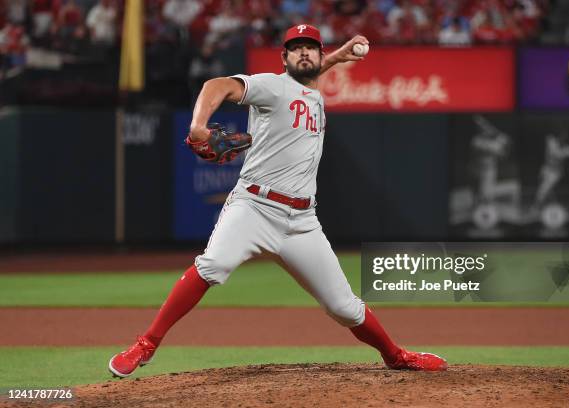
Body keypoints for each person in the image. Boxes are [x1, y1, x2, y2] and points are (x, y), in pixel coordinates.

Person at [108, 24, 448, 378]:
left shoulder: (313, 92)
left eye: (310, 48)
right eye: (295, 48)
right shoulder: (270, 86)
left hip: (302, 222)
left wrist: (337, 57)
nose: (304, 53)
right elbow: (217, 85)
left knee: (345, 307)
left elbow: (308, 80)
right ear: (283, 58)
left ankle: (395, 355)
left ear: (319, 55)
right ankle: (145, 344)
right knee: (212, 265)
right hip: (254, 207)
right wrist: (198, 126)